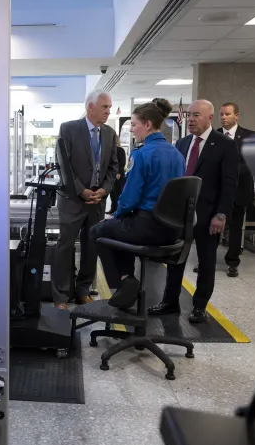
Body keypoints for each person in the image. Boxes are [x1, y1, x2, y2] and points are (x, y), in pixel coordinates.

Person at [149, 99, 239, 324]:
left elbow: (229, 184)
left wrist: (221, 215)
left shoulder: (224, 145)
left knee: (206, 262)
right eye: (189, 115)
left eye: (196, 115)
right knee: (175, 260)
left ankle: (199, 306)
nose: (191, 120)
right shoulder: (182, 144)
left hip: (208, 216)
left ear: (210, 117)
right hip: (180, 216)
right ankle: (170, 302)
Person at [90, 103, 185, 309]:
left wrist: (117, 213)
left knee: (98, 230)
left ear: (148, 125)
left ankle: (124, 282)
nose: (131, 129)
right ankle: (127, 281)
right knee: (119, 231)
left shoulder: (141, 154)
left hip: (147, 226)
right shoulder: (177, 154)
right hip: (173, 231)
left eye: (133, 124)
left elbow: (129, 198)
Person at [52, 90, 119, 310]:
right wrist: (81, 191)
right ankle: (61, 295)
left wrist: (103, 190)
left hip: (97, 201)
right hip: (73, 199)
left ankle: (82, 291)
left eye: (109, 107)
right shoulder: (69, 129)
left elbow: (113, 167)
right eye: (105, 107)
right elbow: (64, 165)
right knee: (66, 246)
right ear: (90, 107)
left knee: (92, 246)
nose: (108, 111)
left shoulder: (109, 133)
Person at [216, 102, 255, 278]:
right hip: (217, 191)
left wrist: (228, 169)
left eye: (227, 114)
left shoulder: (250, 137)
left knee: (235, 228)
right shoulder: (214, 136)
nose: (224, 118)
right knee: (212, 228)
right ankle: (206, 261)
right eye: (222, 114)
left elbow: (252, 163)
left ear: (237, 116)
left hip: (239, 191)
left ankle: (232, 261)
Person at [108, 145, 126, 215]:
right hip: (111, 174)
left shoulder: (120, 150)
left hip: (119, 175)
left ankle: (117, 210)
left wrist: (119, 172)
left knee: (118, 193)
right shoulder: (110, 149)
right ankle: (113, 208)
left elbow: (122, 162)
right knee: (112, 193)